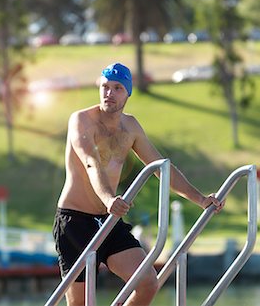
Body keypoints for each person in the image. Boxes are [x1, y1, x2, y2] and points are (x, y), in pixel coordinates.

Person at [53, 62, 224, 306]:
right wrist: (109, 199)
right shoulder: (81, 121)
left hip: (109, 221)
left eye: (117, 88)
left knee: (147, 283)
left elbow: (162, 168)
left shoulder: (130, 127)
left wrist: (201, 199)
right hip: (75, 222)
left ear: (128, 93)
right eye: (105, 87)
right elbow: (92, 163)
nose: (109, 93)